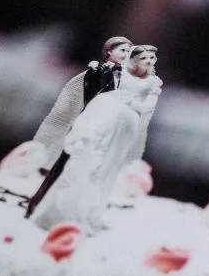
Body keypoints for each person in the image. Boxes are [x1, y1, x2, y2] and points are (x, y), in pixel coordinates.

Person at [29, 45, 161, 231]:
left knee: (105, 169)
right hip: (102, 120)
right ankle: (54, 209)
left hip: (124, 126)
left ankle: (87, 211)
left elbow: (148, 106)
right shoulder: (115, 75)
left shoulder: (151, 82)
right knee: (78, 166)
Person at [26, 36, 133, 217]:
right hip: (82, 126)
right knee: (63, 165)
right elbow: (80, 97)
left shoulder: (121, 77)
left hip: (98, 130)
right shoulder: (94, 72)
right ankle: (41, 202)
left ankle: (68, 206)